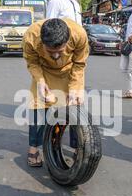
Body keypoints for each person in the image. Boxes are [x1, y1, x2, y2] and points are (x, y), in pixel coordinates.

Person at [23, 18, 88, 167]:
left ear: (67, 40)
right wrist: (40, 81)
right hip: (43, 70)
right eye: (51, 52)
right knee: (38, 107)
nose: (56, 56)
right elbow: (32, 62)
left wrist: (74, 87)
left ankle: (79, 146)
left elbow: (79, 63)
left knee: (75, 107)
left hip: (69, 70)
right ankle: (34, 147)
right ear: (42, 42)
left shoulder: (79, 34)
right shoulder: (30, 37)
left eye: (60, 51)